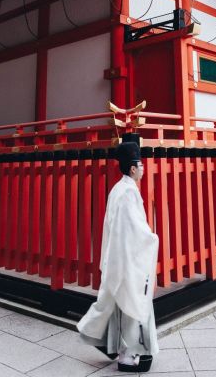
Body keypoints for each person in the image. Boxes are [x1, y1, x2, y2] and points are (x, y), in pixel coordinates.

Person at [78, 141, 159, 373]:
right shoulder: (126, 193)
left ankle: (115, 347)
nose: (143, 168)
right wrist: (151, 238)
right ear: (132, 168)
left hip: (120, 257)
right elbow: (132, 229)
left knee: (119, 306)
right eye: (140, 164)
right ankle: (127, 356)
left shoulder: (120, 189)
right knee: (131, 307)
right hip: (127, 259)